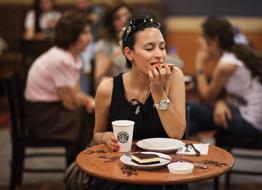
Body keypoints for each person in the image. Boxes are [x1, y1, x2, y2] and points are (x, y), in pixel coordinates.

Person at [91, 16, 186, 189]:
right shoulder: (108, 89)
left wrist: (158, 92)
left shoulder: (174, 77)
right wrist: (106, 137)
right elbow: (97, 133)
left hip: (164, 173)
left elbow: (177, 134)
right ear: (129, 53)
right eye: (149, 48)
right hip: (121, 171)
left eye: (162, 47)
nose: (159, 54)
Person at [187, 16, 262, 138]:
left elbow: (206, 98)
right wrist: (221, 102)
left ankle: (177, 143)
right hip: (260, 120)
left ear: (214, 40)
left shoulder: (226, 65)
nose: (199, 41)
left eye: (203, 37)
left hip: (251, 124)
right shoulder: (239, 52)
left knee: (188, 107)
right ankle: (187, 143)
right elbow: (238, 92)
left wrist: (199, 66)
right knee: (193, 123)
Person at [24, 10, 95, 158]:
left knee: (90, 112)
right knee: (88, 117)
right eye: (85, 33)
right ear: (72, 35)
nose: (90, 38)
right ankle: (81, 166)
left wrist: (89, 100)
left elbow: (75, 93)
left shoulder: (71, 56)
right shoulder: (61, 59)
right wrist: (89, 103)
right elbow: (71, 103)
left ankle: (81, 163)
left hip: (50, 110)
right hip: (44, 118)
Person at [94, 2, 132, 86]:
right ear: (111, 22)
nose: (123, 20)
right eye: (117, 18)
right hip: (116, 88)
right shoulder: (104, 44)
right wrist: (112, 60)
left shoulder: (138, 39)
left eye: (126, 15)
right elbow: (98, 80)